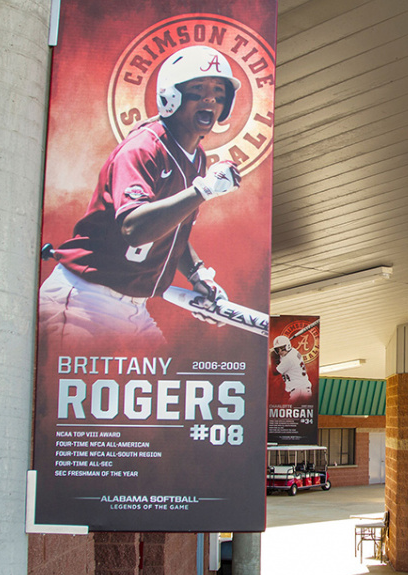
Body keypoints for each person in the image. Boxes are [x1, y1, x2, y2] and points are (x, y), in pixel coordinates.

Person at [38, 45, 243, 346]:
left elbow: (171, 229)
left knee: (165, 382)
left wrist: (198, 274)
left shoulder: (196, 157)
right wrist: (203, 190)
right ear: (172, 95)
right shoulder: (144, 147)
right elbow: (135, 229)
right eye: (198, 89)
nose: (210, 99)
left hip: (134, 306)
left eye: (218, 91)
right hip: (87, 296)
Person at [270, 335, 312, 401]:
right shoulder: (293, 351)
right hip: (302, 389)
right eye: (277, 349)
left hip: (299, 390)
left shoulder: (289, 359)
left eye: (282, 348)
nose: (280, 351)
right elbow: (282, 358)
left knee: (289, 410)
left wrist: (272, 357)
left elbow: (275, 372)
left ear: (288, 346)